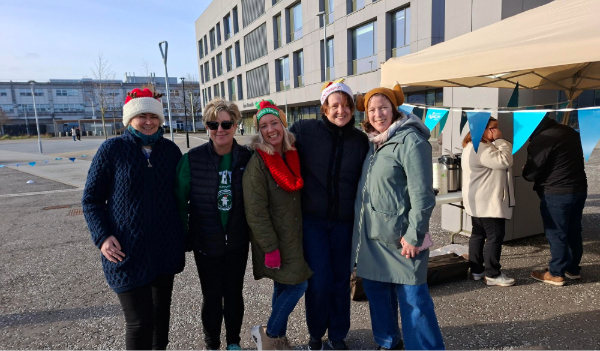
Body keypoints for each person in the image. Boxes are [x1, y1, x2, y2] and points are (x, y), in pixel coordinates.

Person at [82, 88, 185, 350]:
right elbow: (91, 200)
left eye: (153, 115)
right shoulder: (112, 149)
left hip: (163, 250)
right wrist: (102, 237)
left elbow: (184, 196)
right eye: (142, 115)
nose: (148, 121)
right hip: (126, 253)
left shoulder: (171, 152)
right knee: (139, 323)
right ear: (130, 119)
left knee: (161, 320)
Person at [352, 84, 445, 350]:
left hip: (404, 238)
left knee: (414, 298)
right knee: (376, 291)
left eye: (383, 108)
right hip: (373, 236)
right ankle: (388, 341)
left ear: (394, 109)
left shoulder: (410, 140)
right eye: (372, 109)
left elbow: (423, 195)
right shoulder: (373, 142)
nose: (378, 114)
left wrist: (415, 236)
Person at [289, 79, 369, 350]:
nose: (341, 110)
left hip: (344, 223)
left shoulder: (359, 140)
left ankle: (337, 335)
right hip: (313, 222)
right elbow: (276, 148)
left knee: (339, 280)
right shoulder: (304, 130)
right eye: (335, 105)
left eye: (346, 105)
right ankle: (315, 333)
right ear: (324, 108)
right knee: (319, 281)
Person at [175, 98, 252, 350]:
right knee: (211, 297)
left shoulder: (247, 158)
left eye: (227, 123)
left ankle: (233, 342)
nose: (220, 129)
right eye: (213, 124)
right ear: (206, 127)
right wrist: (185, 236)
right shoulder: (192, 160)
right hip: (206, 241)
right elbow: (180, 202)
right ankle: (212, 345)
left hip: (237, 241)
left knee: (233, 295)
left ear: (236, 124)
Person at [244, 100, 312, 350]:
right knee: (299, 285)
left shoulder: (291, 154)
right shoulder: (258, 164)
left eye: (274, 123)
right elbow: (256, 212)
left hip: (292, 236)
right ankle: (268, 334)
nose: (270, 129)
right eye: (263, 126)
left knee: (283, 286)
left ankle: (278, 341)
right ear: (258, 131)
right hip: (275, 242)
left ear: (283, 125)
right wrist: (270, 248)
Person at [523, 117, 588, 286]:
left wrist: (525, 170)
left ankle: (556, 273)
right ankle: (572, 269)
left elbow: (531, 173)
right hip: (579, 188)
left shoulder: (543, 139)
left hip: (556, 192)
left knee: (557, 233)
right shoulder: (569, 132)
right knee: (574, 230)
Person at [461, 117, 516, 286]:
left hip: (479, 199)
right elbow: (505, 161)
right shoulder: (482, 148)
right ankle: (492, 274)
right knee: (494, 236)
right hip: (489, 201)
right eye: (493, 128)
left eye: (497, 128)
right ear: (482, 130)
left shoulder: (472, 146)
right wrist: (500, 140)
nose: (497, 131)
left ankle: (476, 271)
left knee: (478, 234)